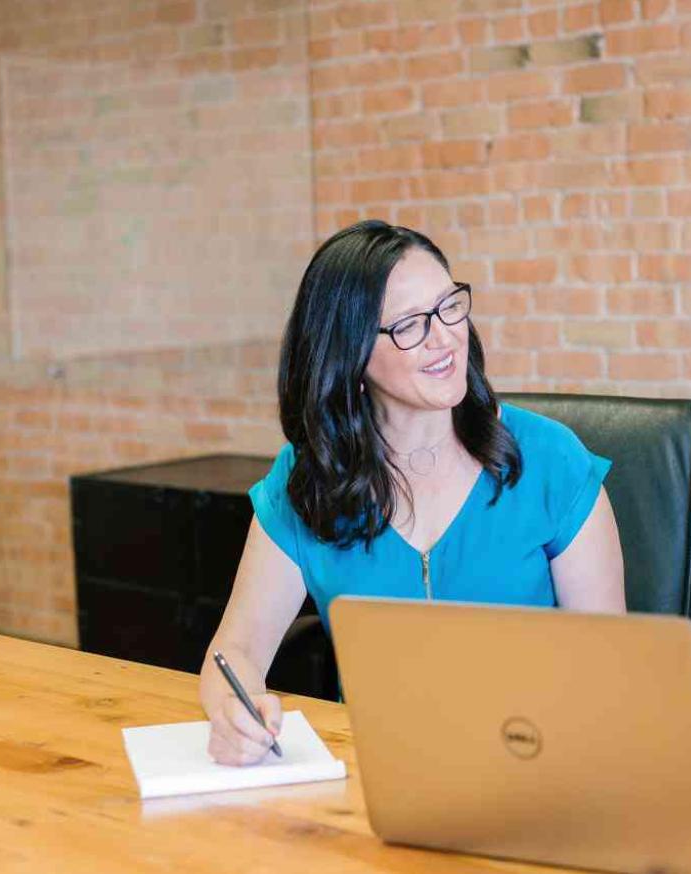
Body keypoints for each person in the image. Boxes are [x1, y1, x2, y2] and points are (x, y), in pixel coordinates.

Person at [201, 220, 626, 765]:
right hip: (375, 776)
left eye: (450, 305)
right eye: (409, 325)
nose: (445, 336)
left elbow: (610, 671)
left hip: (536, 765)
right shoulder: (307, 482)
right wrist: (233, 714)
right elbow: (233, 651)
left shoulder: (551, 461)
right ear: (349, 356)